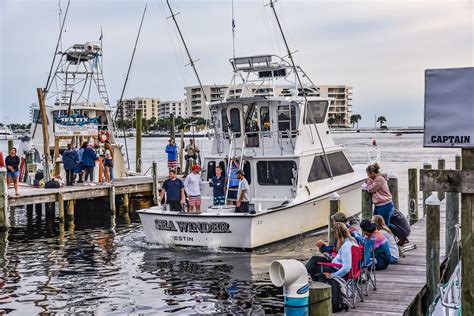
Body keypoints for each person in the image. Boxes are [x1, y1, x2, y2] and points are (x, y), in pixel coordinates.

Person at [366, 163, 394, 229]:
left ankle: (390, 237)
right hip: (380, 205)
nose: (368, 176)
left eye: (368, 174)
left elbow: (370, 189)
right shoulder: (377, 179)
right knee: (375, 224)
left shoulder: (379, 179)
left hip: (384, 205)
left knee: (383, 225)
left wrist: (368, 182)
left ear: (372, 172)